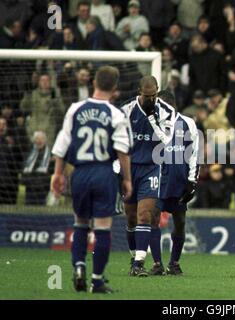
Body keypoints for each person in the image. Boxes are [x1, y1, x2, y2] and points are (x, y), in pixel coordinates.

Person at [51, 66, 132, 293]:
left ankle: (78, 266)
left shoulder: (75, 109)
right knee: (103, 228)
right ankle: (96, 280)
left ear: (94, 82)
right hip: (104, 172)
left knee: (81, 224)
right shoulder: (116, 114)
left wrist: (57, 174)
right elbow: (123, 151)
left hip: (80, 173)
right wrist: (127, 179)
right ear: (115, 88)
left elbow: (62, 144)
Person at [121, 76, 176, 277]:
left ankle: (139, 264)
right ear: (139, 91)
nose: (151, 99)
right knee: (131, 217)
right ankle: (134, 255)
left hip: (152, 167)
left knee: (145, 215)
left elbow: (167, 139)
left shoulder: (166, 111)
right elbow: (117, 139)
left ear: (157, 91)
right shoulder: (126, 110)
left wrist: (152, 117)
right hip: (129, 167)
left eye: (154, 95)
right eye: (147, 96)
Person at [147, 90, 199, 275]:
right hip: (158, 179)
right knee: (153, 218)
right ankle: (156, 263)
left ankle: (174, 263)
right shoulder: (152, 124)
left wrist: (192, 181)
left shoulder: (188, 123)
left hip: (179, 181)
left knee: (180, 221)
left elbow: (194, 153)